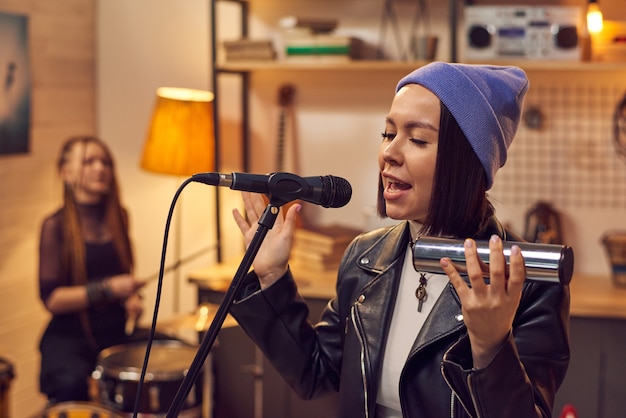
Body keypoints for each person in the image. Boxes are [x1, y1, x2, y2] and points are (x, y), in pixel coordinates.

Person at [229, 62, 570, 418]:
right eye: (388, 134)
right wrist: (271, 277)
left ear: (466, 162)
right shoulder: (365, 257)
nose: (389, 153)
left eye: (418, 139)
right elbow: (316, 373)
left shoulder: (528, 281)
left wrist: (491, 347)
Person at [37, 136, 145, 404]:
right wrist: (107, 288)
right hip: (69, 335)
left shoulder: (120, 215)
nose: (100, 168)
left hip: (114, 330)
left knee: (174, 352)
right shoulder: (54, 225)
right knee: (70, 384)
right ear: (66, 173)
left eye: (105, 162)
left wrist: (130, 298)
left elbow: (123, 273)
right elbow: (52, 299)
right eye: (89, 161)